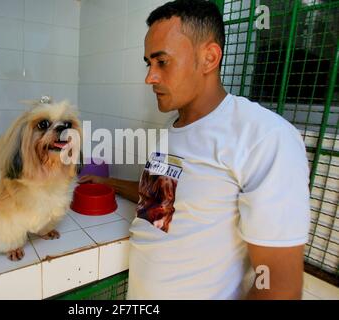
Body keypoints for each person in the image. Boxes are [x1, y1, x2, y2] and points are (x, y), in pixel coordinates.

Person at [78, 0, 310, 300]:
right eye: (148, 63)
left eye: (162, 62)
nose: (150, 77)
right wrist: (107, 183)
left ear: (209, 57)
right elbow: (162, 202)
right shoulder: (173, 130)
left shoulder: (263, 137)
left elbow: (279, 284)